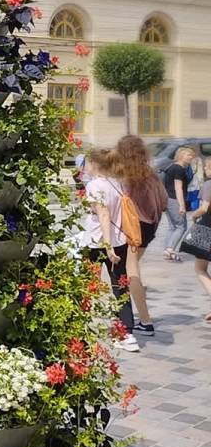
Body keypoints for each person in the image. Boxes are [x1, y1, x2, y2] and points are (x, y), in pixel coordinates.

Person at [76, 148, 140, 353]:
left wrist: (108, 245)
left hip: (98, 242)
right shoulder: (116, 183)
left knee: (87, 285)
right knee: (120, 286)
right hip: (118, 240)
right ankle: (127, 333)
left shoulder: (95, 185)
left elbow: (103, 215)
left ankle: (78, 328)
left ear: (93, 164)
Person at [116, 135, 167, 336]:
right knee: (131, 269)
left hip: (133, 228)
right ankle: (135, 316)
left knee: (131, 272)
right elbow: (163, 201)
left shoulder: (127, 177)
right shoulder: (151, 174)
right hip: (150, 227)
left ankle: (145, 321)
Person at [163, 146, 196, 261]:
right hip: (174, 200)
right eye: (189, 155)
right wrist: (182, 205)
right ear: (181, 155)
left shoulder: (172, 167)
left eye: (192, 155)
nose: (191, 157)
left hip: (168, 199)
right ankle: (170, 249)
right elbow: (178, 188)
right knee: (181, 226)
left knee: (173, 227)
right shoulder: (178, 169)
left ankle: (167, 249)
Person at [188, 156, 211, 321]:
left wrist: (194, 216)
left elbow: (204, 208)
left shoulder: (209, 184)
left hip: (207, 230)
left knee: (200, 268)